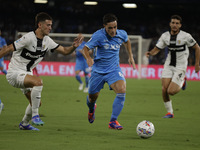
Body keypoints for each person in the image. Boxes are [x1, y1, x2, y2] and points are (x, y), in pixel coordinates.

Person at [0, 12, 83, 130]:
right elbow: (8, 48)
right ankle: (35, 116)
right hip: (15, 73)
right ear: (40, 25)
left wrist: (74, 46)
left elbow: (64, 51)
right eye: (48, 25)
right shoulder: (28, 38)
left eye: (51, 25)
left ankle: (24, 124)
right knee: (38, 82)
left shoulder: (47, 41)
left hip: (27, 74)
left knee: (36, 103)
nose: (50, 27)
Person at [83, 13, 136, 130]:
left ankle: (113, 121)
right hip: (98, 71)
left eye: (115, 27)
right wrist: (88, 58)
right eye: (110, 28)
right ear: (104, 27)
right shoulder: (98, 35)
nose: (113, 31)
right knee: (92, 97)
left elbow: (127, 41)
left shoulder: (121, 34)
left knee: (122, 90)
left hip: (114, 70)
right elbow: (85, 49)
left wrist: (130, 56)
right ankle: (92, 109)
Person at [146, 15, 200, 118]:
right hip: (168, 65)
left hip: (180, 66)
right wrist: (151, 53)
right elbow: (158, 48)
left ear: (180, 25)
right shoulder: (165, 36)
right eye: (173, 23)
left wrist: (197, 64)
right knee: (164, 89)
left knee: (171, 91)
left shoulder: (186, 36)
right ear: (170, 24)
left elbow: (197, 48)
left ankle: (183, 80)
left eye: (177, 23)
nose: (174, 25)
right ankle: (170, 112)